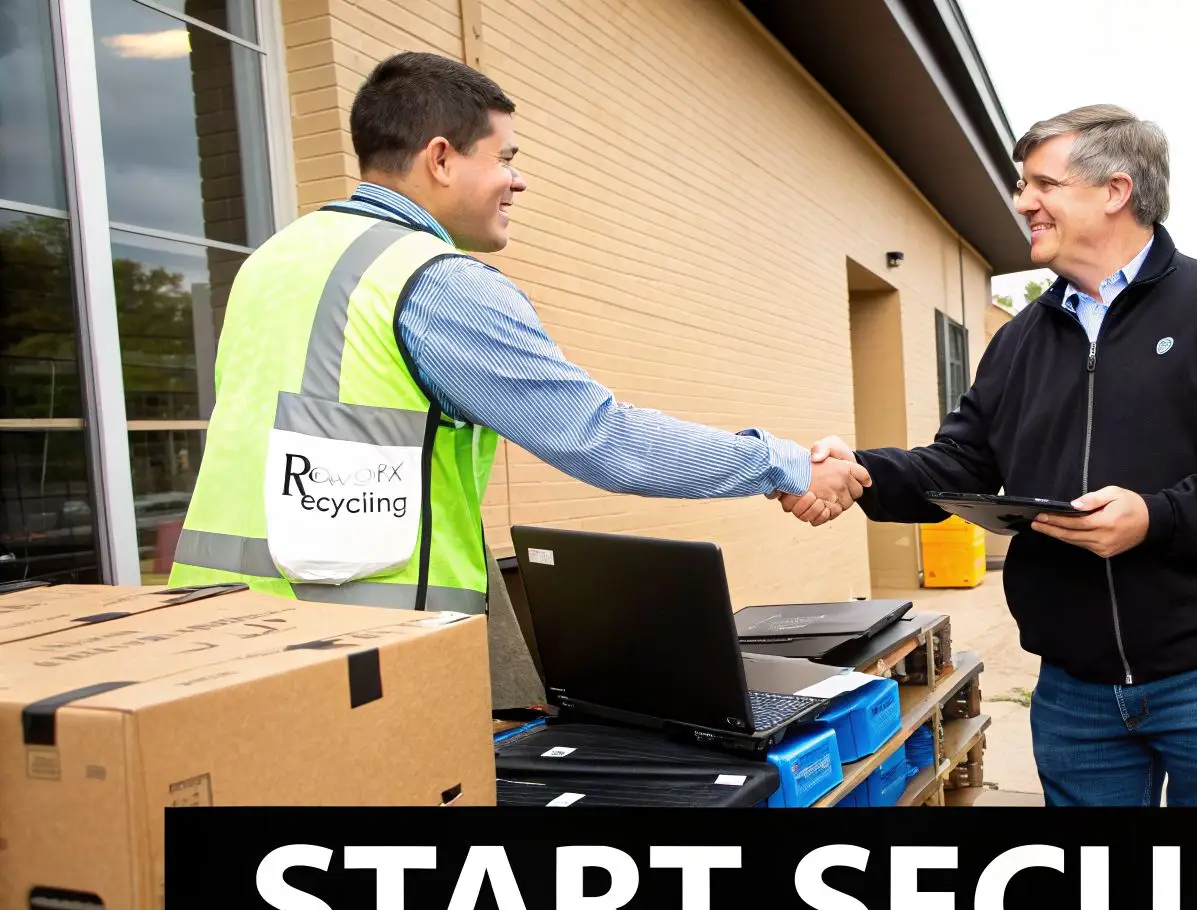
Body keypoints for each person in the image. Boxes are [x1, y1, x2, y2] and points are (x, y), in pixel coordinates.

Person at [792, 105, 1197, 910]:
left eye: (1042, 183)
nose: (1022, 201)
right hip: (1077, 688)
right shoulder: (1022, 341)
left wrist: (1155, 518)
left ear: (1116, 190)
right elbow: (960, 467)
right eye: (1023, 183)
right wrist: (862, 473)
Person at [168, 52, 866, 632]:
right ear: (441, 159)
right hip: (356, 648)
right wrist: (785, 464)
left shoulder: (273, 262)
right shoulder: (435, 283)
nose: (518, 178)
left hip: (215, 628)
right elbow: (602, 440)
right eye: (505, 157)